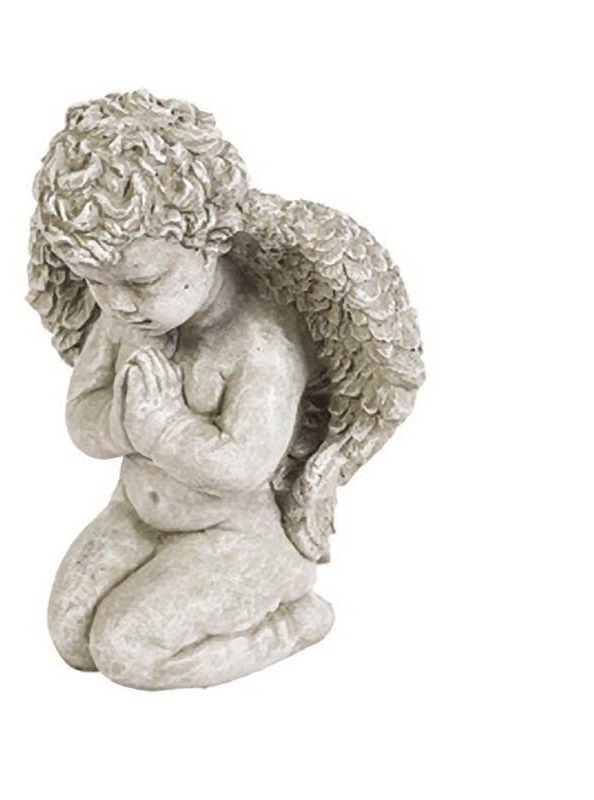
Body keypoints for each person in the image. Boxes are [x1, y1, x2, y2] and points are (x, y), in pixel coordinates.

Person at [28, 89, 424, 689]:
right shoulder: (125, 318)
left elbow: (242, 466)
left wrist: (163, 428)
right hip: (135, 513)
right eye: (96, 282)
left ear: (209, 240)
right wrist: (118, 422)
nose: (117, 302)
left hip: (235, 539)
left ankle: (289, 623)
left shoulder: (261, 343)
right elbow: (81, 417)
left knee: (124, 649)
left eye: (143, 280)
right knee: (69, 633)